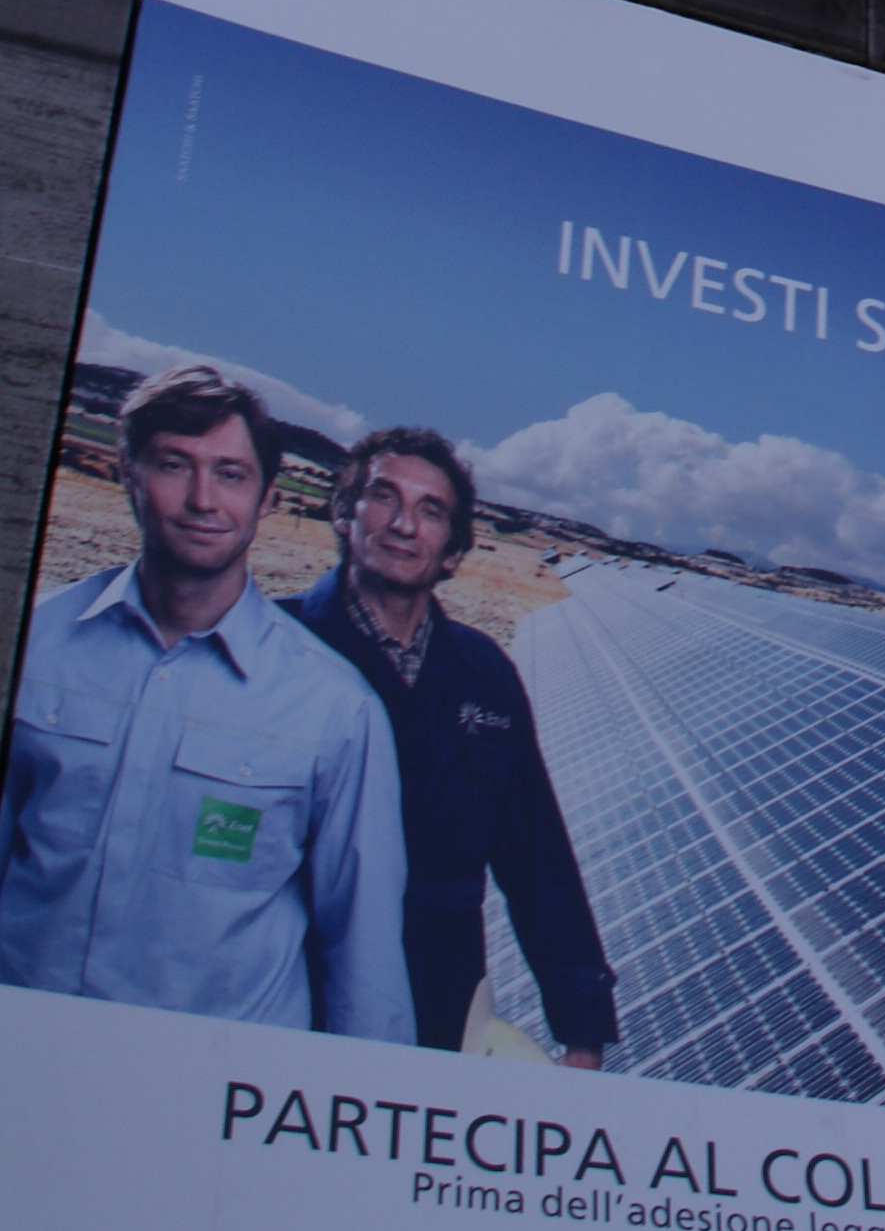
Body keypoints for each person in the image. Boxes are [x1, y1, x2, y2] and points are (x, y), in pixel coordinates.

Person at [0, 364, 412, 1037]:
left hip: (212, 1082)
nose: (203, 500)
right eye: (173, 465)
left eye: (231, 474)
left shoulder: (335, 709)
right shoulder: (33, 643)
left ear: (267, 499)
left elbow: (365, 962)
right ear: (128, 474)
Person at [292, 426, 616, 1066]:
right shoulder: (276, 646)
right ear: (343, 514)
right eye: (384, 497)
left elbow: (537, 857)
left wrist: (582, 1028)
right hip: (294, 989)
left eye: (431, 511)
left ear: (454, 553)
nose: (404, 525)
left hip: (439, 999)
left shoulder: (483, 672)